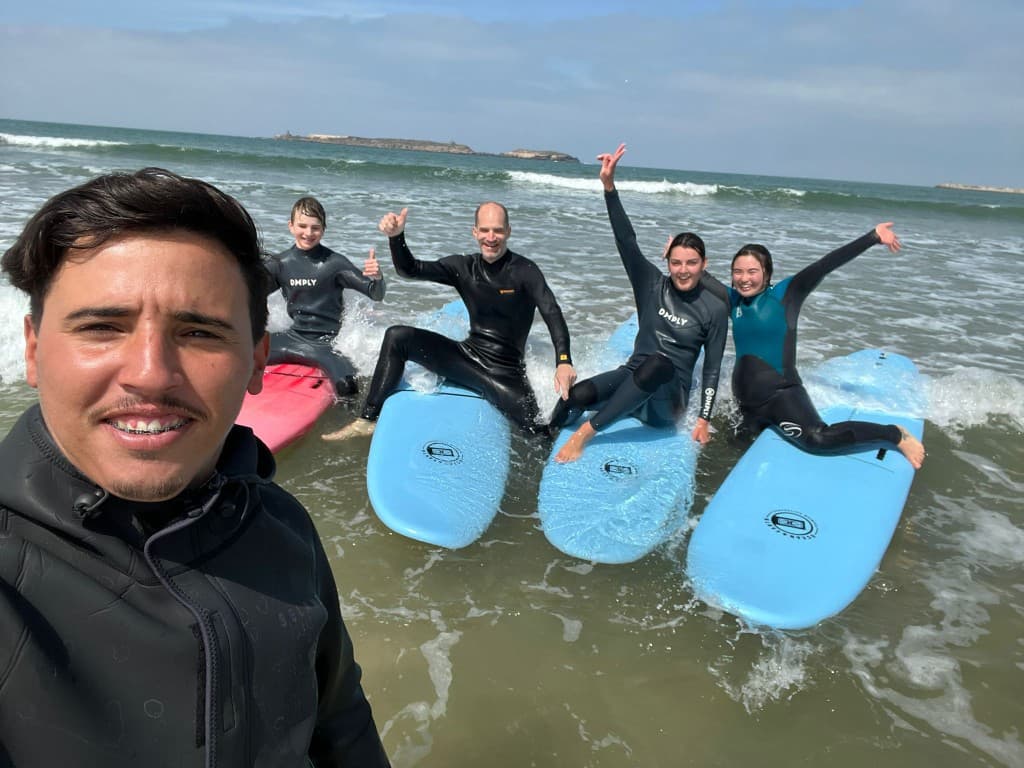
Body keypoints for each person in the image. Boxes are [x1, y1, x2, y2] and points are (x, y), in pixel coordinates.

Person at [0, 168, 391, 767]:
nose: (151, 374)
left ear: (256, 359)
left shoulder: (284, 529)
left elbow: (343, 728)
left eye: (201, 332)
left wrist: (378, 269)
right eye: (102, 327)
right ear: (33, 349)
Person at [322, 201, 576, 440]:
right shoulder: (464, 267)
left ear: (508, 231)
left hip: (505, 373)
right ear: (474, 232)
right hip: (467, 357)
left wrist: (563, 361)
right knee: (398, 336)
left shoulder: (524, 270)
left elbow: (551, 311)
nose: (491, 237)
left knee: (537, 432)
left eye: (498, 230)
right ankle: (368, 419)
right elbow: (410, 270)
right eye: (485, 230)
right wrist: (396, 237)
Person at [550, 143, 730, 463]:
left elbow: (713, 367)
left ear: (704, 264)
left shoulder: (713, 308)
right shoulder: (651, 285)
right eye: (676, 262)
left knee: (659, 363)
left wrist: (703, 419)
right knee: (576, 396)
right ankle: (546, 434)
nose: (683, 270)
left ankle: (585, 434)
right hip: (630, 380)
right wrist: (609, 187)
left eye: (691, 263)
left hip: (666, 404)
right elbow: (626, 240)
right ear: (667, 261)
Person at [728, 225, 926, 468]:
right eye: (737, 272)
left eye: (751, 271)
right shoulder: (732, 300)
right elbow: (694, 280)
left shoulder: (786, 294)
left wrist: (873, 237)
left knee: (818, 439)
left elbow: (825, 265)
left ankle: (894, 434)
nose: (744, 278)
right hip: (746, 403)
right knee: (734, 448)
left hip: (781, 396)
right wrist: (673, 252)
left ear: (767, 273)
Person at [265, 196, 385, 396]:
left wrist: (378, 278)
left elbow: (375, 294)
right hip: (292, 338)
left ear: (323, 229)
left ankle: (358, 425)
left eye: (315, 227)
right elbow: (247, 291)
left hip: (325, 345)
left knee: (348, 386)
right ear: (291, 226)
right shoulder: (280, 264)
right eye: (302, 226)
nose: (308, 233)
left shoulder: (334, 264)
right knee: (239, 352)